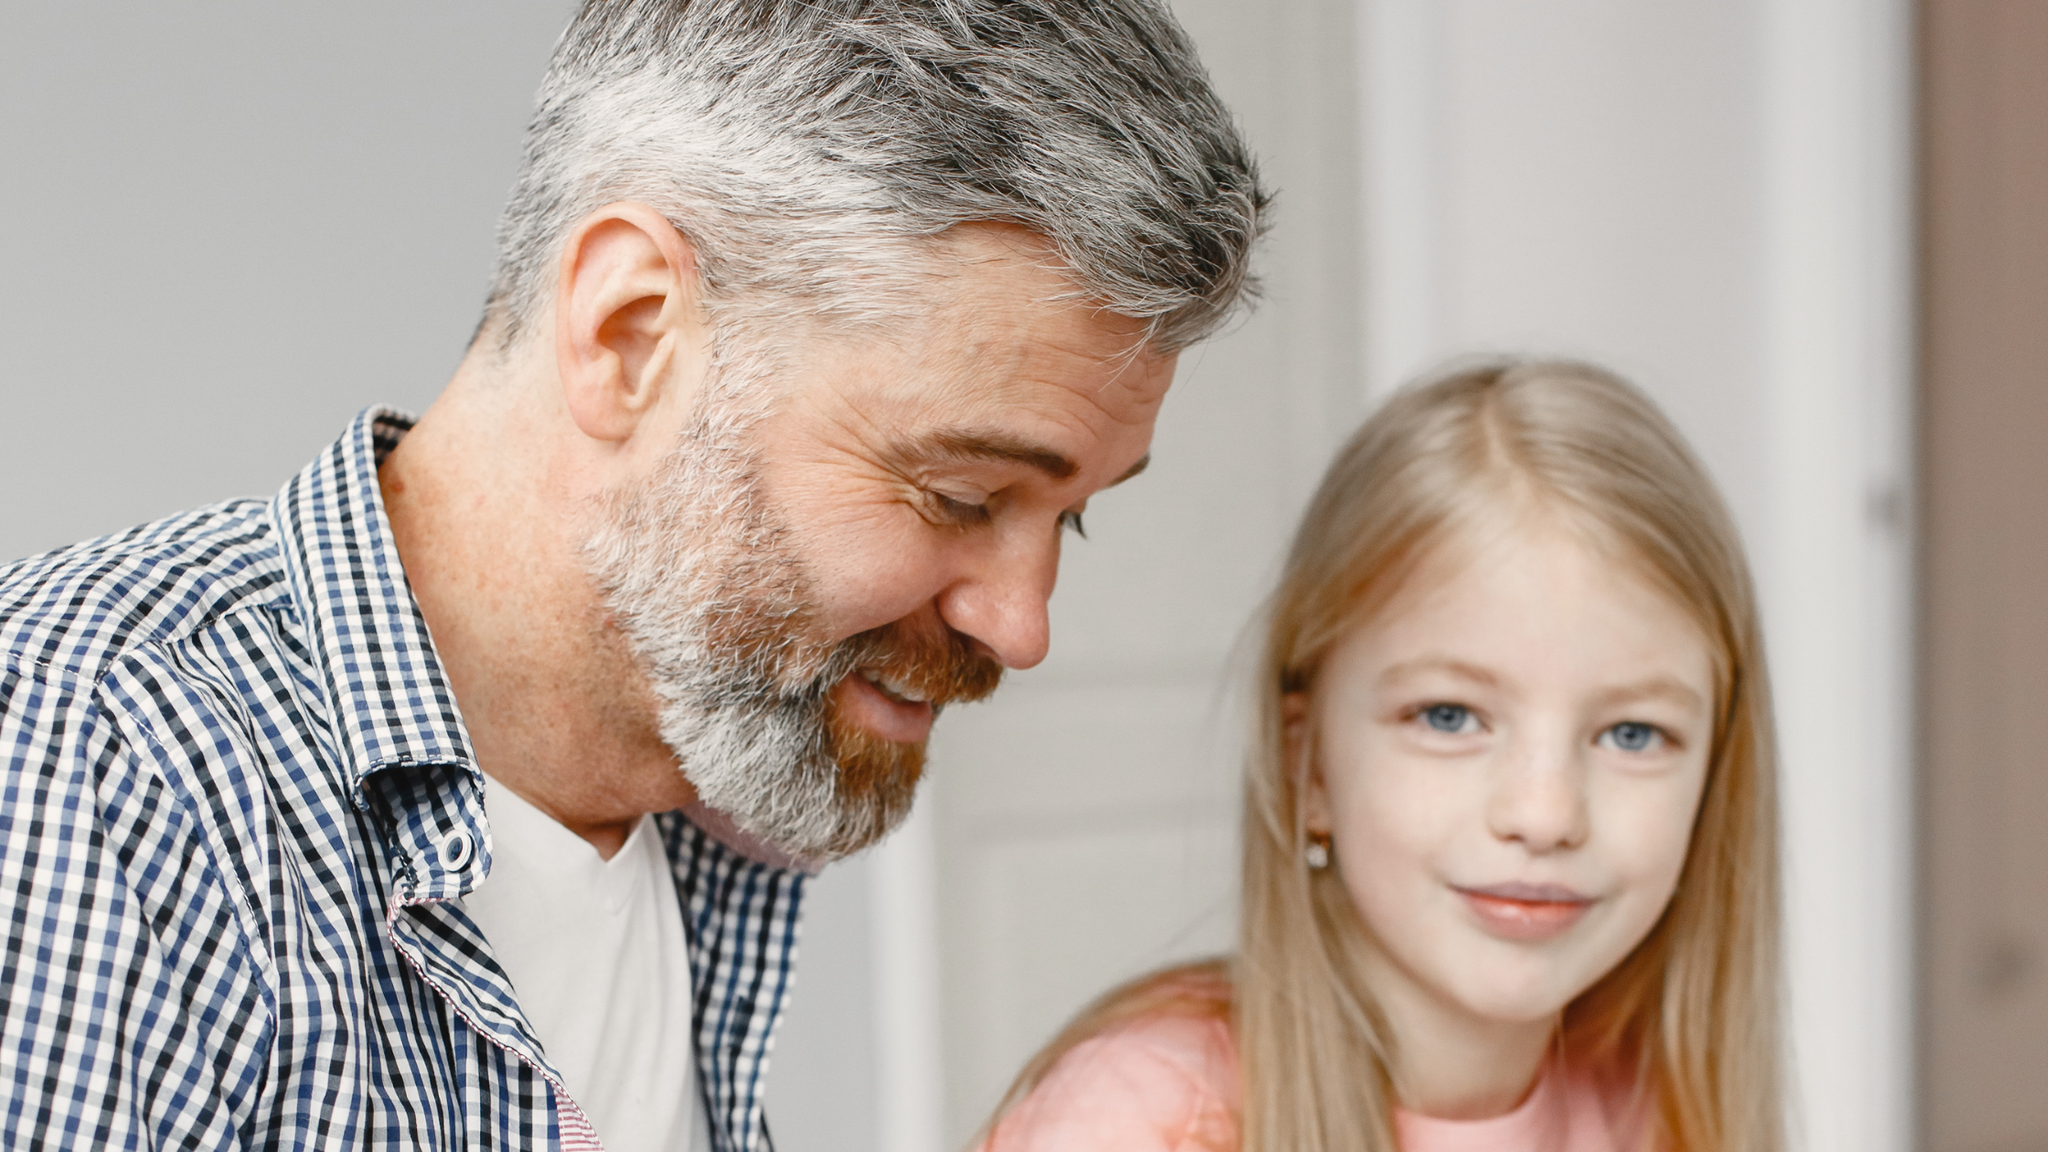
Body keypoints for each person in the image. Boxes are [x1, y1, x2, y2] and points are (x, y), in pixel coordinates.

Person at [0, 3, 1266, 1150]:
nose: (1023, 623)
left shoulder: (707, 792)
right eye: (962, 497)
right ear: (632, 336)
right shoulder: (85, 768)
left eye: (1073, 519)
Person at [978, 361, 1784, 1152]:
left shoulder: (1654, 1110)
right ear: (1311, 765)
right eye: (1449, 715)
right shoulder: (1139, 1121)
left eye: (1632, 734)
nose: (1545, 814)